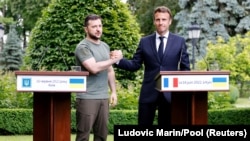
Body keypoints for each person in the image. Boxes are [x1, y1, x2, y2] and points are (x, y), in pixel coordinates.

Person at [111, 6, 190, 126]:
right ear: (154, 21)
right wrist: (118, 61)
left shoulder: (179, 41)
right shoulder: (144, 41)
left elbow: (185, 69)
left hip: (171, 95)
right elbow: (135, 64)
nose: (161, 22)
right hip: (148, 93)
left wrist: (181, 93)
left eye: (164, 19)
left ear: (170, 21)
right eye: (158, 20)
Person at [74, 14, 122, 141]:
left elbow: (110, 71)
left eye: (100, 26)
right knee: (83, 136)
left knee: (101, 136)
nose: (98, 29)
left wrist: (113, 92)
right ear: (86, 29)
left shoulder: (105, 46)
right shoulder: (83, 47)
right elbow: (93, 68)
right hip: (87, 97)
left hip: (103, 97)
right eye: (94, 26)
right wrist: (114, 60)